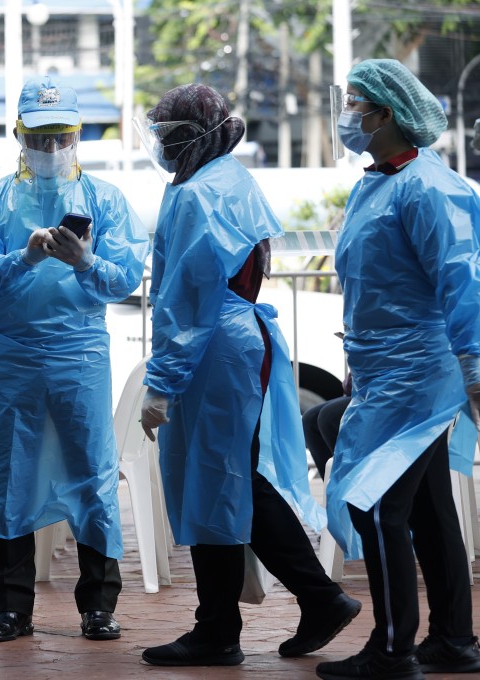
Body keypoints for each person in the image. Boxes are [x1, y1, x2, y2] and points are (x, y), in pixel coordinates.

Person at [136, 84, 361, 667]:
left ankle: (237, 623)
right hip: (234, 341)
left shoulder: (196, 193)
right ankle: (247, 617)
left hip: (214, 347)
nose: (161, 146)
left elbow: (187, 299)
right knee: (226, 480)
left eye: (168, 134)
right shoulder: (227, 177)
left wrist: (162, 381)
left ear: (192, 136)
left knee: (220, 481)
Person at [0, 77, 149, 644]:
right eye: (40, 137)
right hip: (9, 358)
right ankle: (11, 607)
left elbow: (124, 277)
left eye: (62, 136)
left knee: (92, 474)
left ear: (78, 135)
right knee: (8, 476)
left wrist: (85, 262)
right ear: (18, 135)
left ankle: (98, 605)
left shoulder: (105, 200)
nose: (51, 149)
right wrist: (22, 258)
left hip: (78, 355)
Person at [315, 59, 480, 680]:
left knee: (376, 502)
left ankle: (391, 650)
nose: (346, 114)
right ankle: (454, 641)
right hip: (388, 368)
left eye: (354, 103)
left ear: (385, 114)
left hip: (417, 373)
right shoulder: (379, 183)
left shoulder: (430, 187)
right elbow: (375, 283)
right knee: (429, 509)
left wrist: (474, 366)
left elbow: (462, 280)